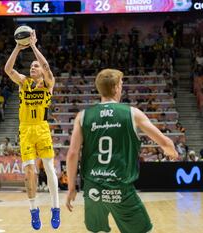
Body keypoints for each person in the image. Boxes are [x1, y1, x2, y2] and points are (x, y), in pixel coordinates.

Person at [66, 69, 179, 233]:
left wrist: (71, 188)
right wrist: (172, 152)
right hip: (120, 188)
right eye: (121, 84)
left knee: (97, 230)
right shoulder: (132, 113)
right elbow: (165, 142)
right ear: (116, 88)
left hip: (92, 188)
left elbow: (72, 154)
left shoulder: (83, 116)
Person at [4, 30, 60, 230]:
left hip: (42, 129)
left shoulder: (48, 84)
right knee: (29, 173)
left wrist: (34, 46)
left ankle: (55, 208)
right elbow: (8, 69)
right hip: (26, 130)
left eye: (36, 66)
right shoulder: (24, 83)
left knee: (49, 168)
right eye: (31, 66)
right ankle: (34, 210)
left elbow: (46, 66)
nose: (33, 67)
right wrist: (19, 48)